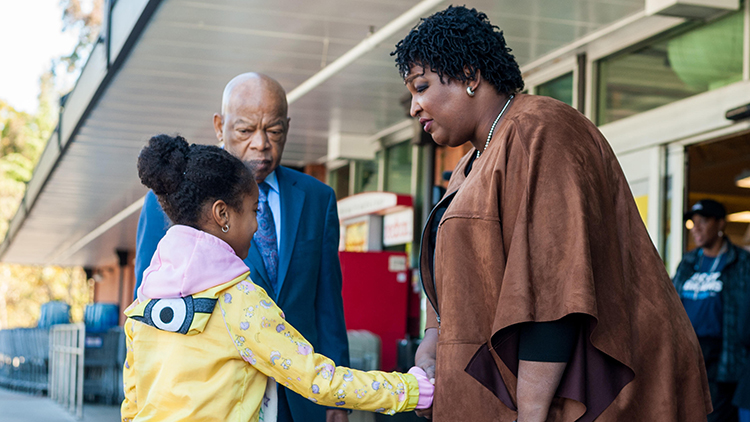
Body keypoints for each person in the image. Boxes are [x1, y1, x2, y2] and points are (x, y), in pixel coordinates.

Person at [391, 6, 711, 421]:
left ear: (470, 76)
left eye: (422, 87)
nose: (415, 107)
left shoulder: (540, 129)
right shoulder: (470, 163)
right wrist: (432, 342)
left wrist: (532, 412)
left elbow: (556, 290)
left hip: (578, 397)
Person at [121, 134, 433, 421]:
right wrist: (411, 389)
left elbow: (132, 400)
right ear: (222, 214)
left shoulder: (145, 300)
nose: (257, 225)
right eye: (253, 210)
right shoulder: (239, 301)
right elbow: (316, 379)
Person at [133, 73, 351, 422]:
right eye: (246, 130)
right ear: (220, 126)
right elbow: (149, 311)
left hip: (303, 397)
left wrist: (338, 402)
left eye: (274, 131)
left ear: (287, 128)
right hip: (217, 398)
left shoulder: (317, 198)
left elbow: (328, 304)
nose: (261, 144)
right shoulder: (174, 202)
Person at [674, 199, 750, 422]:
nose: (696, 228)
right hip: (688, 353)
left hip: (722, 357)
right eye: (693, 222)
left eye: (703, 221)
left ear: (720, 224)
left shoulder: (742, 262)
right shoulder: (688, 261)